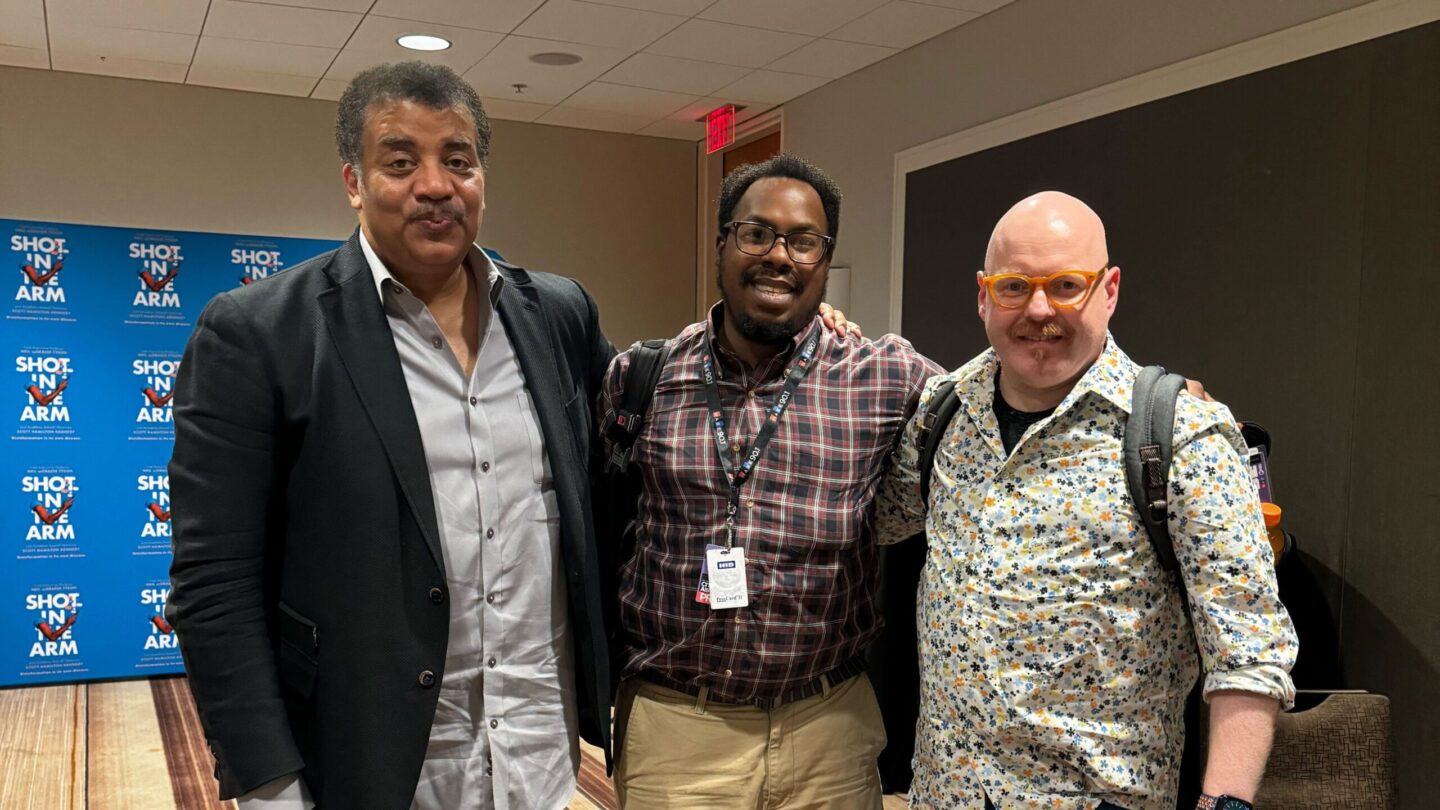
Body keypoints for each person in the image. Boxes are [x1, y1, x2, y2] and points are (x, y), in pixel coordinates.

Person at [166, 62, 617, 809]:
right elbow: (216, 585)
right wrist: (269, 782)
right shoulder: (258, 334)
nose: (435, 185)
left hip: (539, 753)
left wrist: (804, 336)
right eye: (401, 162)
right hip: (367, 762)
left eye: (459, 161)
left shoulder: (558, 316)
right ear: (354, 180)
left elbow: (652, 424)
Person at [875, 191, 1297, 810]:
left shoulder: (1180, 435)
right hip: (948, 792)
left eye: (1067, 284)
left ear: (1110, 289)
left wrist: (1225, 802)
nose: (1039, 309)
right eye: (1015, 286)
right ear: (983, 294)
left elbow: (1249, 651)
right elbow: (872, 520)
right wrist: (817, 339)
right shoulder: (943, 414)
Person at [599, 153, 943, 809]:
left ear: (825, 257)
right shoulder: (643, 377)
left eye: (802, 240)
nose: (778, 255)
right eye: (756, 233)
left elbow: (1002, 394)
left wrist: (1154, 395)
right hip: (677, 727)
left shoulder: (886, 378)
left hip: (829, 727)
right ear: (723, 242)